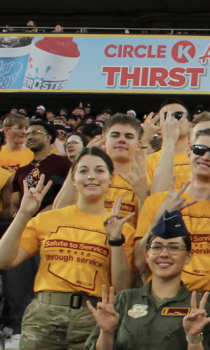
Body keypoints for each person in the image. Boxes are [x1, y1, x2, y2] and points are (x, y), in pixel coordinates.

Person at [0, 149, 135, 349]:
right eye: (83, 171)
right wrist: (23, 214)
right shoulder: (47, 219)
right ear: (72, 178)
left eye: (99, 170)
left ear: (111, 178)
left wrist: (115, 240)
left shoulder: (123, 229)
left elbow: (123, 288)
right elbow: (4, 260)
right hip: (43, 316)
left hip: (94, 318)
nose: (91, 176)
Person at [132, 120, 210, 298]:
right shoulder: (157, 202)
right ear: (189, 153)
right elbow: (141, 264)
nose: (206, 157)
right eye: (199, 150)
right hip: (160, 298)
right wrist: (162, 216)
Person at [85, 211, 210, 350]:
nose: (164, 254)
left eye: (174, 248)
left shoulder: (198, 308)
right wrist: (107, 333)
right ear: (146, 255)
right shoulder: (124, 300)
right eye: (156, 247)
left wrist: (194, 338)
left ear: (188, 256)